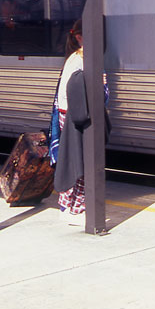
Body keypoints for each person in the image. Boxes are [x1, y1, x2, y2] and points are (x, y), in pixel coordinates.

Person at [53, 19, 109, 224]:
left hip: (74, 115)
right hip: (74, 117)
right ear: (79, 38)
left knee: (78, 162)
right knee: (77, 163)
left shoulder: (81, 58)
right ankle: (70, 208)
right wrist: (97, 84)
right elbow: (76, 92)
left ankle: (75, 206)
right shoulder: (79, 60)